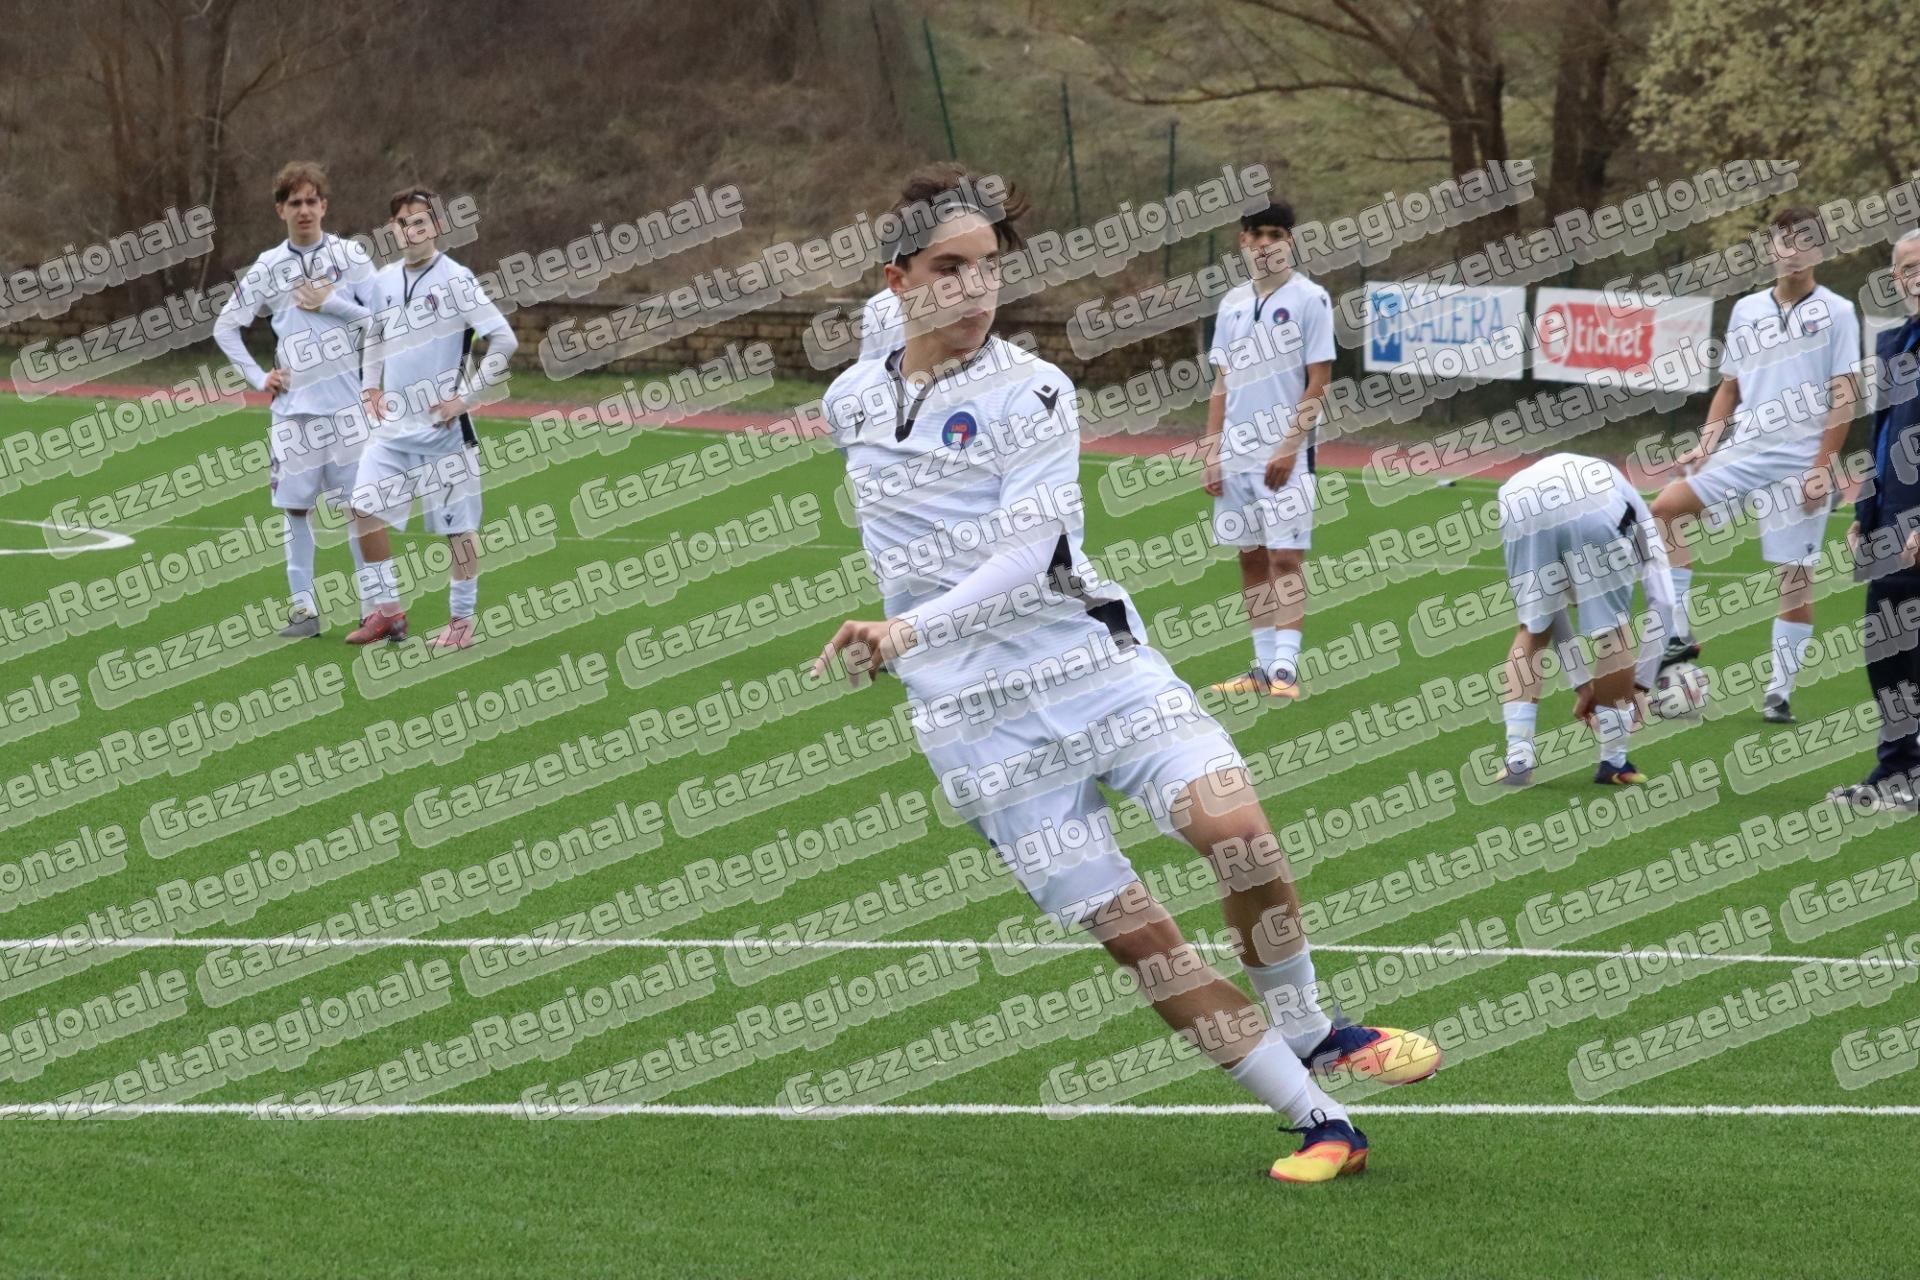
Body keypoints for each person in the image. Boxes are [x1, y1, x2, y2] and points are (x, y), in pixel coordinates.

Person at [812, 162, 1438, 1185]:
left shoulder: (1033, 389)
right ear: (899, 279)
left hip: (1090, 665)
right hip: (975, 724)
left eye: (989, 266)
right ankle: (1321, 1118)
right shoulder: (853, 396)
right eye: (948, 269)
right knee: (1138, 934)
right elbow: (888, 346)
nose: (976, 288)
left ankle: (1311, 1025)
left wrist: (904, 629)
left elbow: (1032, 551)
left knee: (1242, 835)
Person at [1649, 206, 1861, 722]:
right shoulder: (1746, 310)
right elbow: (1730, 388)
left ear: (1820, 250)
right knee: (1665, 509)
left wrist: (1822, 467)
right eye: (1785, 242)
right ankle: (1679, 634)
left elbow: (1846, 394)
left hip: (1800, 460)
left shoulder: (1837, 312)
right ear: (1771, 248)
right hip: (1744, 448)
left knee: (1796, 579)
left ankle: (1778, 694)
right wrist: (1705, 446)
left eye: (1805, 243)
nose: (1793, 252)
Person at [212, 160, 375, 639]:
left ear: (324, 206)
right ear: (280, 209)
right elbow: (226, 327)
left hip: (348, 412)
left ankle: (374, 611)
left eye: (311, 201)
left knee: (360, 512)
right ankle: (304, 610)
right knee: (296, 511)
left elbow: (385, 321)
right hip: (294, 414)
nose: (304, 210)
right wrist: (258, 377)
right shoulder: (268, 265)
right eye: (294, 202)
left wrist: (332, 303)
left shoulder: (351, 256)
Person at [348, 186, 517, 648]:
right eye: (403, 223)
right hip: (392, 431)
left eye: (420, 221)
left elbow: (504, 340)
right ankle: (388, 613)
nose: (412, 230)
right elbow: (375, 335)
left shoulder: (457, 279)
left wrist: (466, 398)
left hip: (444, 433)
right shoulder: (384, 281)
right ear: (393, 229)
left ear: (436, 226)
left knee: (458, 530)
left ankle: (461, 625)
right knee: (362, 507)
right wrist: (370, 385)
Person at [1203, 201, 1335, 700]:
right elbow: (1221, 381)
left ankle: (1286, 669)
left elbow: (1319, 380)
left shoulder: (1311, 299)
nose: (1265, 243)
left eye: (1275, 234)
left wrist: (1288, 447)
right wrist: (1212, 450)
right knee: (1251, 557)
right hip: (1235, 454)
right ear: (1243, 241)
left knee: (1285, 558)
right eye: (1256, 234)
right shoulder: (1232, 303)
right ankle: (1260, 668)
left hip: (1286, 455)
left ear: (1289, 241)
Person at [1496, 453, 1677, 787]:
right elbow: (1665, 601)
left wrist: (1583, 685)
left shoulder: (1630, 511)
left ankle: (1517, 759)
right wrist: (1639, 687)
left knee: (1532, 627)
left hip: (1518, 499)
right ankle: (1614, 762)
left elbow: (1547, 617)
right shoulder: (1642, 528)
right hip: (1594, 507)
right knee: (1613, 632)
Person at [1832, 230, 1920, 810]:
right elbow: (1883, 433)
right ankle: (1896, 772)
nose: (1917, 277)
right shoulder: (1893, 343)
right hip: (1889, 522)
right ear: (1894, 279)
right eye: (1908, 268)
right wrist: (1865, 509)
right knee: (1886, 651)